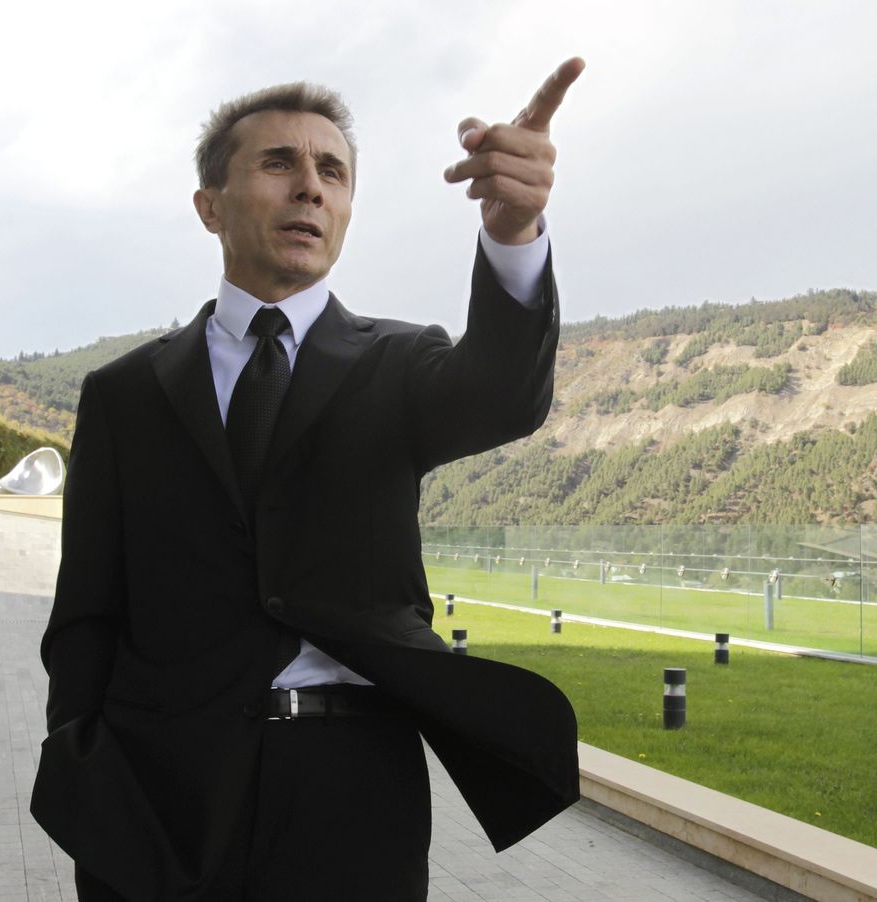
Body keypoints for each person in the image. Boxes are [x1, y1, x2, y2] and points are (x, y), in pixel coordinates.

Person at [31, 58, 585, 900]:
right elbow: (86, 613)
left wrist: (515, 234)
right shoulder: (124, 394)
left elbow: (505, 395)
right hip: (155, 795)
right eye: (279, 163)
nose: (311, 188)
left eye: (333, 172)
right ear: (210, 206)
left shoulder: (398, 363)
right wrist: (82, 766)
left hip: (352, 793)